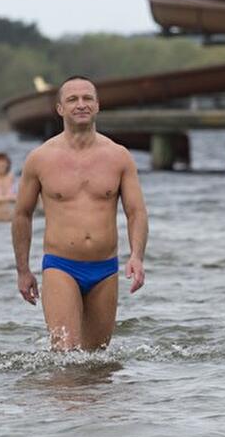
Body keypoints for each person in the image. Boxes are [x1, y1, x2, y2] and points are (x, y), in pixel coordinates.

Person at [12, 75, 149, 351]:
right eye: (72, 99)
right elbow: (22, 215)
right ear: (60, 108)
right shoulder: (40, 158)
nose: (81, 104)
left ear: (97, 105)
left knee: (97, 360)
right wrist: (23, 270)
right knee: (66, 354)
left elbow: (136, 212)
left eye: (87, 98)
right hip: (61, 266)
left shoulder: (119, 156)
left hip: (105, 268)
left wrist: (137, 256)